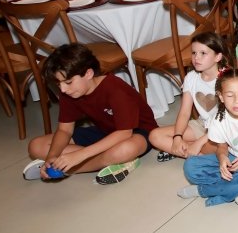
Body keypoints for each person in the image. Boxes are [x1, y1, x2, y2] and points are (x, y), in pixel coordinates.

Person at [23, 44, 157, 185]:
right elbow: (64, 130)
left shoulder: (116, 90)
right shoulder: (69, 92)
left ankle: (70, 169)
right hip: (105, 132)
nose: (63, 89)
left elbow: (124, 133)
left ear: (88, 73)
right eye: (59, 84)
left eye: (68, 82)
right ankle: (110, 161)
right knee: (36, 146)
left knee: (126, 149)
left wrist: (79, 156)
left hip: (137, 133)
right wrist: (52, 156)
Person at [177, 68, 238, 206]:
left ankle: (205, 191)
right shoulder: (219, 118)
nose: (237, 101)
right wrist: (222, 158)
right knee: (190, 166)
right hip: (234, 158)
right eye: (230, 95)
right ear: (221, 97)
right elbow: (222, 146)